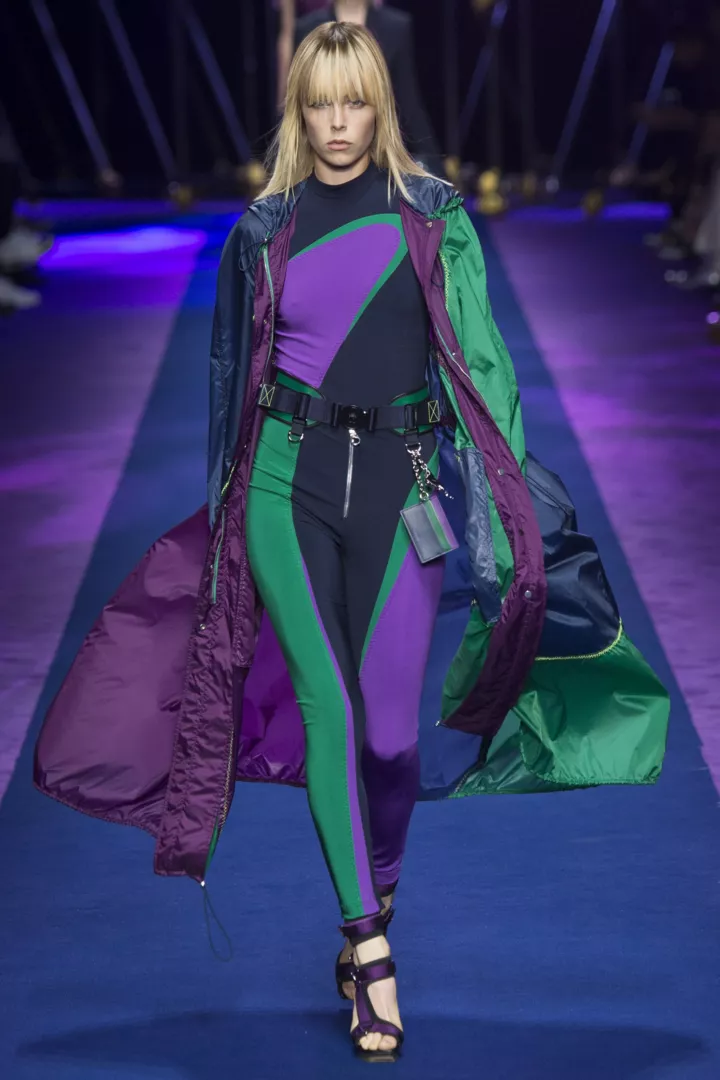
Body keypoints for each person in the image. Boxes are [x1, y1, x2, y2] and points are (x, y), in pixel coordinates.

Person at [34, 23, 670, 1063]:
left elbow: (485, 367)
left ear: (382, 106)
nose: (337, 123)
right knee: (329, 708)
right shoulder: (263, 230)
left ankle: (379, 888)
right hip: (283, 488)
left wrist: (508, 498)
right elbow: (231, 379)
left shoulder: (434, 218)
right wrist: (225, 514)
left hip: (404, 489)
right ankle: (369, 947)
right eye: (320, 103)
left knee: (390, 742)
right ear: (299, 110)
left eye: (355, 102)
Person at [292, 1, 443, 174]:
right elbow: (296, 100)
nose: (339, 121)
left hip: (380, 153)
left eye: (356, 102)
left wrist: (436, 168)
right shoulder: (307, 29)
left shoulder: (396, 27)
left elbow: (409, 102)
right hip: (320, 164)